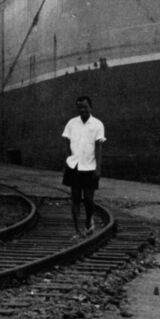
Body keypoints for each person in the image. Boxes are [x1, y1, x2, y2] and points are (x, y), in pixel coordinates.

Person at [60, 95, 106, 236]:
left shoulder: (97, 124)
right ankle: (77, 229)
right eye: (80, 107)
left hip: (90, 167)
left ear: (90, 107)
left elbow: (98, 147)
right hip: (74, 166)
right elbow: (66, 141)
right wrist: (69, 159)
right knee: (75, 198)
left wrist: (98, 168)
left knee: (88, 199)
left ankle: (88, 222)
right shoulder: (71, 123)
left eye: (85, 107)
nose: (82, 110)